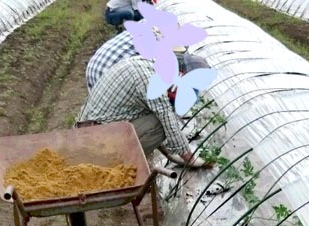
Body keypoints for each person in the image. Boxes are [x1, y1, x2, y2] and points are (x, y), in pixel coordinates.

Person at [78, 55, 210, 167]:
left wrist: (173, 155)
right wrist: (190, 159)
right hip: (95, 138)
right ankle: (114, 163)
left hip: (89, 129)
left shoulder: (149, 64)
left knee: (155, 117)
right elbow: (168, 121)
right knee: (160, 124)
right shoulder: (151, 82)